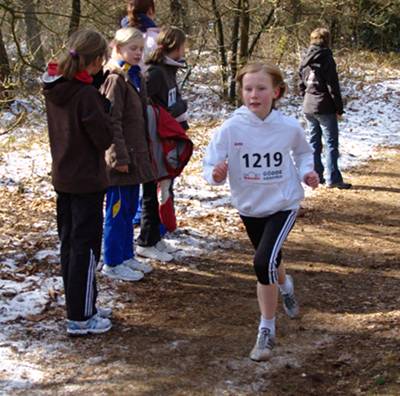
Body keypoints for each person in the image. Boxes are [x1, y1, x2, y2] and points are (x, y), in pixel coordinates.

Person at [203, 63, 319, 361]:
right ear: (241, 92)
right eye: (248, 89)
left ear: (276, 92)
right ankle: (285, 284)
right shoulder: (230, 129)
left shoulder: (288, 126)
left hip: (283, 203)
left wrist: (308, 172)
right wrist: (216, 174)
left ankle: (266, 330)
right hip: (250, 206)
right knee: (272, 260)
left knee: (262, 261)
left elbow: (303, 153)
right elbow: (210, 165)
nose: (254, 94)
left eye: (261, 88)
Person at [42, 29, 113, 335]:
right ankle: (81, 316)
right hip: (85, 180)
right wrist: (103, 106)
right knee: (85, 247)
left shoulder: (57, 87)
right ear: (97, 61)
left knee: (70, 244)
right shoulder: (85, 96)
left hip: (65, 176)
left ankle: (82, 306)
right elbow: (104, 137)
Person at [100, 27, 156, 281]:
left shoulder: (134, 77)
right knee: (118, 211)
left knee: (130, 208)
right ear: (119, 48)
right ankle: (112, 261)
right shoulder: (114, 78)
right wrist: (118, 157)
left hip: (136, 157)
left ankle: (126, 255)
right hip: (122, 160)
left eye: (141, 49)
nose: (137, 53)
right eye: (133, 48)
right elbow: (112, 122)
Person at [135, 26, 189, 262]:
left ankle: (156, 236)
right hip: (155, 140)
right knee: (151, 191)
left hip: (167, 138)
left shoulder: (169, 70)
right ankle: (146, 240)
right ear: (174, 46)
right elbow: (148, 106)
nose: (185, 50)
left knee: (165, 190)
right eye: (183, 45)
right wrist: (177, 109)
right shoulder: (155, 73)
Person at [299, 27, 351, 189]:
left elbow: (301, 83)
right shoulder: (327, 58)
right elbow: (332, 86)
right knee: (331, 143)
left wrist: (306, 97)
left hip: (308, 105)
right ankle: (333, 178)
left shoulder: (305, 58)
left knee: (314, 142)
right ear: (327, 40)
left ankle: (318, 176)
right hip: (325, 106)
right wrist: (339, 108)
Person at [121, 0, 159, 69]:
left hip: (123, 76)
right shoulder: (156, 38)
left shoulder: (120, 36)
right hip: (148, 78)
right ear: (150, 10)